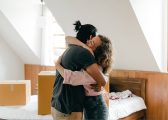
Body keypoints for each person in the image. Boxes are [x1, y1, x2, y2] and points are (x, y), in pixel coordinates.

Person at [51, 21, 106, 120]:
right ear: (90, 37)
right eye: (93, 38)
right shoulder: (84, 53)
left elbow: (68, 38)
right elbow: (102, 81)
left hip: (58, 103)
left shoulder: (70, 48)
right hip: (69, 107)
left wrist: (57, 64)